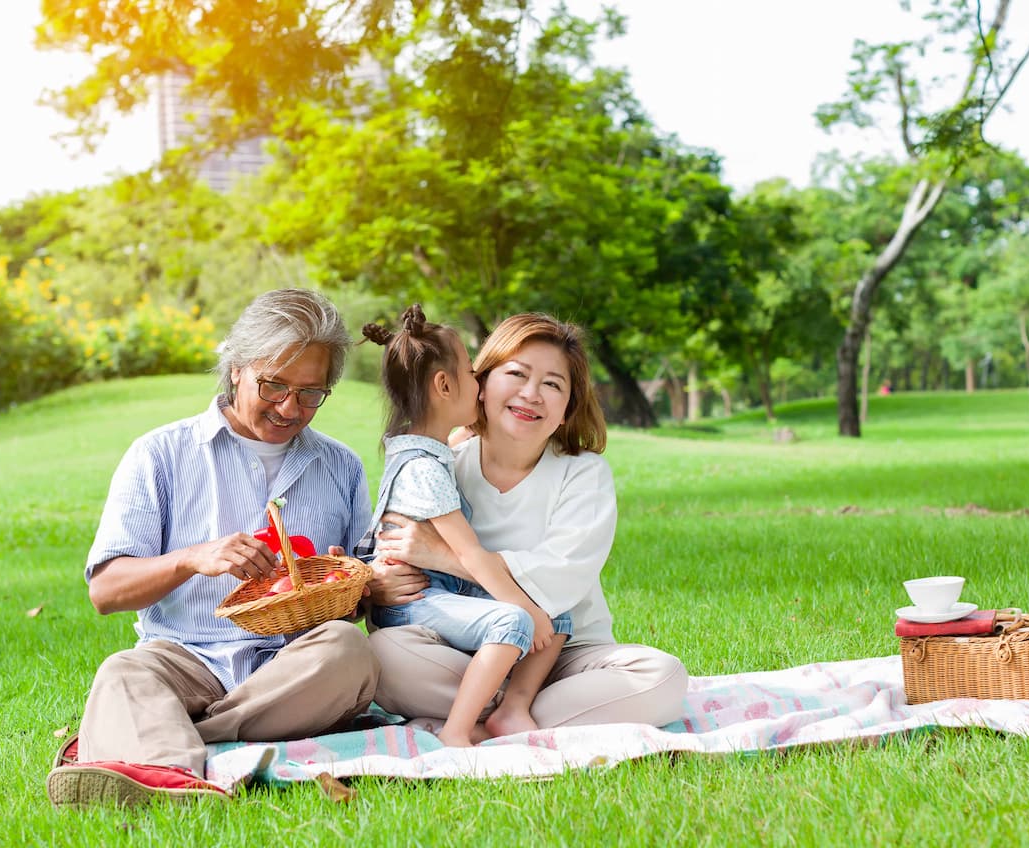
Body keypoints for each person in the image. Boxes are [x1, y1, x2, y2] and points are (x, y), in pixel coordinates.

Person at [46, 288, 378, 807]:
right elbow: (107, 592)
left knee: (349, 650)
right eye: (274, 386)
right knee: (125, 671)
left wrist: (351, 579)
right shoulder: (160, 453)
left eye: (311, 393)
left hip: (293, 671)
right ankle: (180, 749)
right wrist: (189, 558)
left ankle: (168, 750)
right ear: (237, 368)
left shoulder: (342, 466)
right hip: (186, 660)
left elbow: (364, 599)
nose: (291, 408)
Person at [364, 313, 688, 732]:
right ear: (481, 382)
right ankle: (504, 715)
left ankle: (484, 715)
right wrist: (381, 582)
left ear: (567, 409)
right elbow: (393, 554)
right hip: (465, 648)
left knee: (662, 676)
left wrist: (444, 556)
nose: (532, 394)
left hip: (562, 658)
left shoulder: (583, 473)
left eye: (553, 384)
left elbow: (558, 582)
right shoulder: (443, 467)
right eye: (516, 374)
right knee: (385, 653)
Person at [356, 305, 572, 747]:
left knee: (555, 611)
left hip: (439, 588)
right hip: (413, 600)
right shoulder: (423, 467)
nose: (480, 388)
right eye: (473, 376)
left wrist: (538, 609)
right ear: (443, 386)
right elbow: (470, 554)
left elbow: (456, 438)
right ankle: (457, 731)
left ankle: (510, 710)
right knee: (515, 620)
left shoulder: (433, 448)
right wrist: (525, 611)